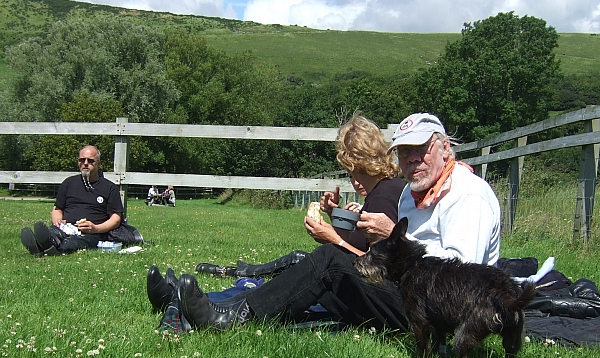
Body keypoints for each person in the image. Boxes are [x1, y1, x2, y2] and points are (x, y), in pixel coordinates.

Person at [176, 112, 501, 331]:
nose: (412, 159)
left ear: (445, 148)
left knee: (331, 262)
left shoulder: (467, 195)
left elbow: (465, 277)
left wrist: (391, 240)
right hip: (412, 293)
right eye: (404, 152)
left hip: (443, 314)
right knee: (323, 281)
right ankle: (216, 305)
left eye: (422, 148)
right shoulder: (411, 195)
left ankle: (232, 318)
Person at [193, 114, 405, 278]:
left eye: (350, 171)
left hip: (366, 284)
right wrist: (334, 214)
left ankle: (239, 280)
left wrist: (331, 239)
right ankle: (243, 271)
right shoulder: (384, 189)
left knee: (304, 260)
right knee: (298, 260)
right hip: (359, 274)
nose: (352, 180)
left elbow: (375, 268)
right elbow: (359, 243)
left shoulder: (384, 197)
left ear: (353, 163)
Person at [20, 145, 125, 256]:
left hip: (92, 233)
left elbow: (116, 219)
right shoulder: (68, 183)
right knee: (53, 232)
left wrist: (96, 228)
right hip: (66, 227)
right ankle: (44, 244)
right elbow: (57, 209)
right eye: (82, 160)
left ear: (98, 163)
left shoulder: (109, 188)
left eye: (90, 161)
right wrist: (57, 221)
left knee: (73, 243)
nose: (85, 163)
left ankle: (46, 249)